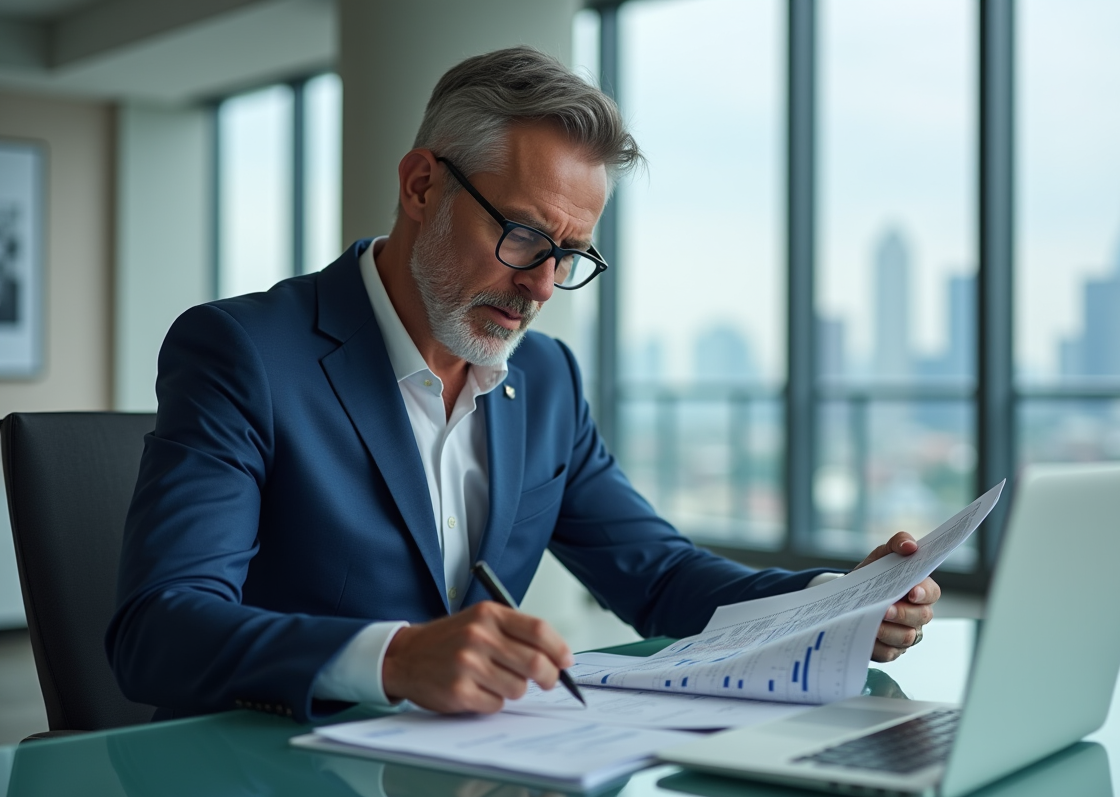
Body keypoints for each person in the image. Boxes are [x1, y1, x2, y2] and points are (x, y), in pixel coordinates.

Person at [106, 46, 940, 722]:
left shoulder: (544, 379)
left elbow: (656, 576)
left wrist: (835, 602)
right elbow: (157, 630)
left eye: (570, 255)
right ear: (421, 185)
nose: (543, 286)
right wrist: (393, 659)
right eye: (522, 236)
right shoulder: (243, 351)